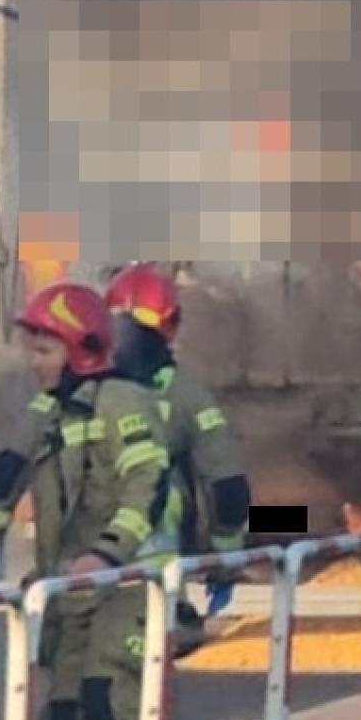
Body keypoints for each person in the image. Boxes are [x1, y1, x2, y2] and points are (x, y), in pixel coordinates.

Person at [0, 282, 171, 720]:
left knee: (109, 711)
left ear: (81, 349)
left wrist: (107, 555)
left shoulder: (124, 403)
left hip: (123, 588)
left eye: (44, 350)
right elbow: (8, 469)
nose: (34, 364)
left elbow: (147, 481)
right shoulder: (47, 408)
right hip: (68, 593)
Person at [104, 263, 249, 625]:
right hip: (153, 588)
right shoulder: (186, 394)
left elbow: (13, 461)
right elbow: (228, 485)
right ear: (170, 323)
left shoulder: (79, 387)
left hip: (76, 580)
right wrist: (225, 562)